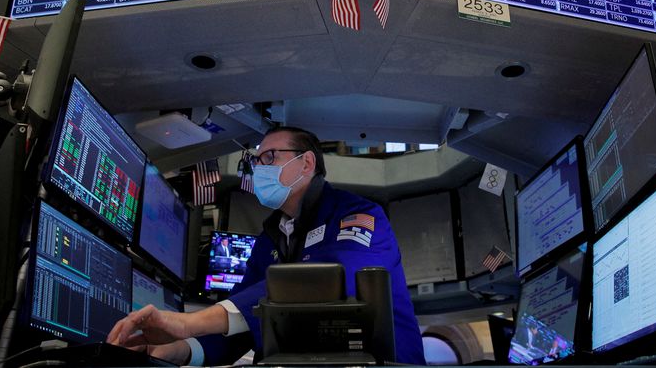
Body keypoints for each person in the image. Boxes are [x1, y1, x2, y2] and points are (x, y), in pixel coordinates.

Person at [107, 126, 425, 365]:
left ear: (306, 163)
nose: (260, 168)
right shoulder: (268, 239)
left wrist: (188, 322)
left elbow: (331, 282)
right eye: (256, 161)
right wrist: (174, 351)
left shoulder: (357, 215)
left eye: (270, 157)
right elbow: (242, 324)